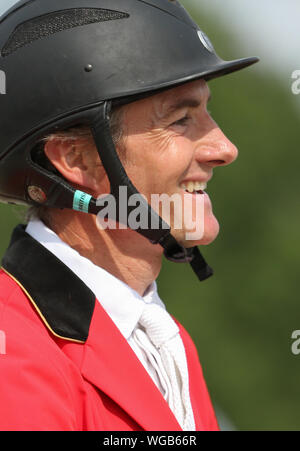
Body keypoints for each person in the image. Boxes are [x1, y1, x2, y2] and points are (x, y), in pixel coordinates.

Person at [0, 0, 258, 431]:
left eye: (207, 113)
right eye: (181, 120)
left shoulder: (163, 339)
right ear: (76, 159)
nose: (224, 148)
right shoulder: (15, 358)